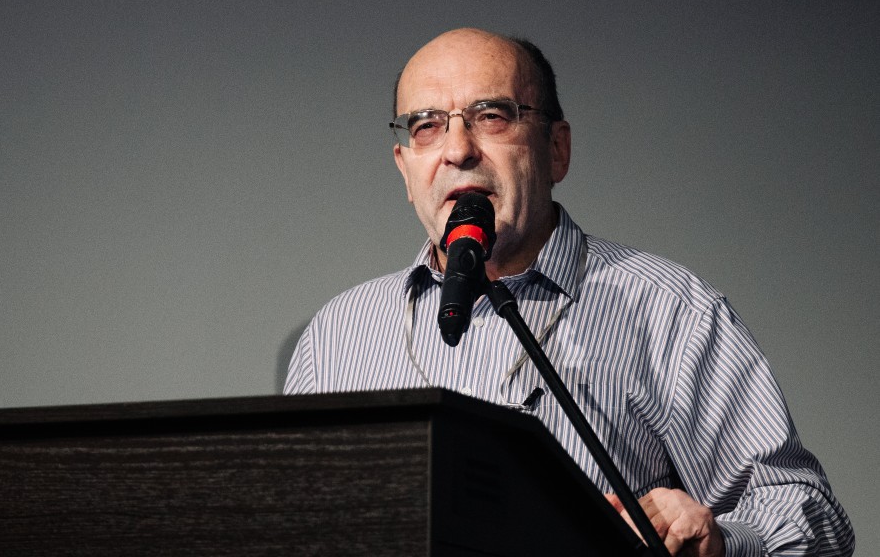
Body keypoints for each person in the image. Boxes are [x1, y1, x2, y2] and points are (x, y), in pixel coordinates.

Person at [283, 28, 854, 556]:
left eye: (491, 116)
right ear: (405, 168)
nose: (457, 150)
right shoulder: (337, 335)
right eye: (427, 126)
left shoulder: (668, 309)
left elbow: (813, 520)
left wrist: (722, 541)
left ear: (556, 150)